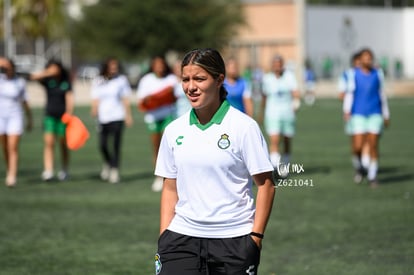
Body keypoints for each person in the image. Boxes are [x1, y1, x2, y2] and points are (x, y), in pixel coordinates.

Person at [154, 48, 275, 275]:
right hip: (180, 240)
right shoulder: (173, 131)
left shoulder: (244, 127)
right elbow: (169, 187)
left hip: (233, 241)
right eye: (186, 79)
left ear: (220, 79)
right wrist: (164, 235)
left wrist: (255, 238)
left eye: (199, 79)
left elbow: (266, 185)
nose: (191, 87)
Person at [343, 48, 390, 188]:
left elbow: (382, 94)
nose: (368, 60)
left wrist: (386, 113)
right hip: (358, 114)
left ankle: (372, 176)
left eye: (370, 58)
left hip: (375, 113)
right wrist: (347, 111)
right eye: (365, 58)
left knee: (373, 144)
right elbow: (350, 94)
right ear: (361, 60)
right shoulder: (353, 74)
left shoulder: (378, 74)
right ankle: (360, 167)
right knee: (357, 146)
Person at [136, 56, 178, 192]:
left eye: (162, 64)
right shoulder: (146, 80)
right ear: (152, 66)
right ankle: (159, 177)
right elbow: (143, 100)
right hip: (153, 117)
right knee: (157, 148)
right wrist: (157, 97)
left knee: (170, 147)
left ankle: (173, 175)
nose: (160, 67)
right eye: (157, 64)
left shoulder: (171, 78)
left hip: (168, 115)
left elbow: (175, 96)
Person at [30, 60, 74, 181]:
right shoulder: (48, 81)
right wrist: (48, 72)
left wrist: (69, 114)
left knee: (63, 143)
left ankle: (65, 169)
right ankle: (48, 170)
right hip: (49, 116)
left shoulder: (65, 82)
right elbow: (33, 77)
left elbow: (70, 98)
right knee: (49, 143)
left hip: (63, 117)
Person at [90, 58, 133, 184]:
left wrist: (128, 115)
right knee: (102, 145)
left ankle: (115, 170)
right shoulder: (98, 81)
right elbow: (95, 97)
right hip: (103, 117)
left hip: (117, 116)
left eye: (116, 66)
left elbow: (125, 98)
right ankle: (108, 163)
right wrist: (94, 109)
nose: (114, 69)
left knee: (115, 144)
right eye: (111, 66)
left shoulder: (121, 80)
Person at [261, 55, 300, 176]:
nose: (277, 67)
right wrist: (261, 112)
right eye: (275, 65)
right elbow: (264, 96)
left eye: (279, 65)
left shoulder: (289, 77)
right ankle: (276, 167)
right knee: (275, 139)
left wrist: (295, 104)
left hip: (287, 113)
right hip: (272, 113)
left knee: (287, 140)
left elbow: (295, 93)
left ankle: (286, 164)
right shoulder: (267, 78)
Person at [0, 57, 33, 187]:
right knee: (5, 146)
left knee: (12, 146)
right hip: (1, 116)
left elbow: (25, 102)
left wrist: (30, 118)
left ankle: (12, 175)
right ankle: (9, 168)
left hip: (15, 116)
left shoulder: (19, 82)